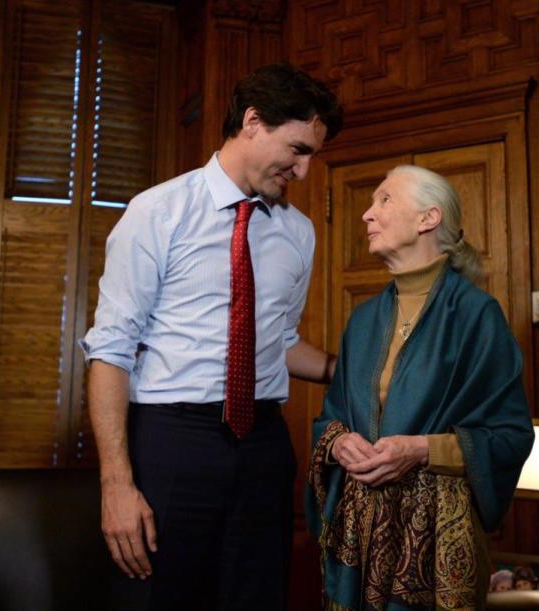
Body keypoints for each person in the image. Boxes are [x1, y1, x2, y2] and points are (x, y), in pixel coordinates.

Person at [80, 62, 343, 610]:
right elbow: (110, 350)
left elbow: (277, 340)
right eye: (297, 149)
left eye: (311, 155)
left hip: (265, 449)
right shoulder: (157, 212)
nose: (302, 171)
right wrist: (116, 485)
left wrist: (342, 369)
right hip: (172, 444)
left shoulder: (298, 233)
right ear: (252, 121)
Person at [305, 165, 534, 610]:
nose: (367, 215)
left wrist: (422, 450)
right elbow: (328, 419)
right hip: (357, 543)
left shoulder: (477, 316)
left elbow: (510, 436)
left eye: (384, 200)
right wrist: (338, 443)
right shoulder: (364, 320)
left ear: (427, 219)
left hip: (435, 548)